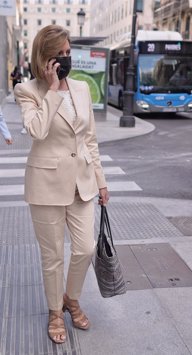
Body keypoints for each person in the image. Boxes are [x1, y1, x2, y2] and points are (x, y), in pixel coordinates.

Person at [14, 25, 109, 344]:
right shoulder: (28, 91)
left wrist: (101, 180)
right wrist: (53, 89)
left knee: (86, 248)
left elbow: (90, 140)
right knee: (52, 255)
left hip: (81, 183)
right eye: (59, 54)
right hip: (46, 186)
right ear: (44, 57)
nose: (66, 59)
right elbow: (37, 131)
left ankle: (71, 297)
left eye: (69, 53)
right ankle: (56, 312)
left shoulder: (82, 89)